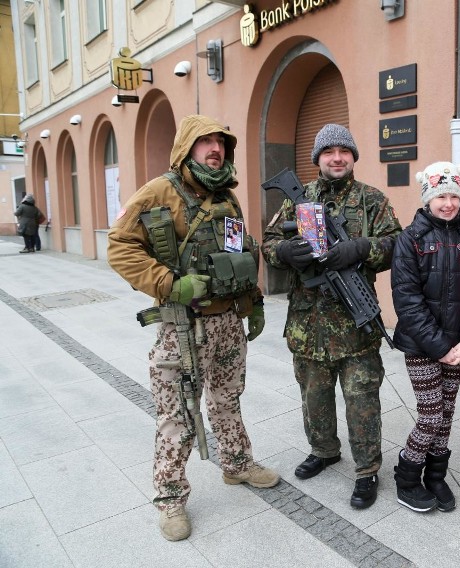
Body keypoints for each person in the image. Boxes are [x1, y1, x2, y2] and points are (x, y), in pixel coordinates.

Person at [107, 114, 279, 541]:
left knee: (227, 400)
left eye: (221, 141)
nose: (215, 148)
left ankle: (236, 464)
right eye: (205, 142)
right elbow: (120, 246)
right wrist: (169, 284)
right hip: (181, 328)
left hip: (226, 323)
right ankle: (169, 498)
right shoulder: (158, 192)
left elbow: (240, 252)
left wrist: (253, 301)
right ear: (187, 147)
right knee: (178, 416)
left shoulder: (228, 198)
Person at [261, 124, 402, 509]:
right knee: (314, 398)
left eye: (344, 151)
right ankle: (324, 451)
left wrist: (359, 248)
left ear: (353, 157)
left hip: (356, 327)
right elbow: (268, 244)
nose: (336, 158)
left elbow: (396, 245)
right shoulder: (298, 198)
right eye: (328, 152)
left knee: (362, 400)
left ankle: (367, 469)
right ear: (318, 159)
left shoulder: (371, 199)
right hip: (308, 326)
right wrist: (286, 252)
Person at [390, 161, 460, 513]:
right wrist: (441, 346)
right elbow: (407, 299)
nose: (448, 202)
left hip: (457, 346)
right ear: (427, 197)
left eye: (453, 195)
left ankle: (436, 475)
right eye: (440, 195)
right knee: (430, 413)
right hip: (421, 344)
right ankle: (407, 477)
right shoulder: (410, 238)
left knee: (446, 414)